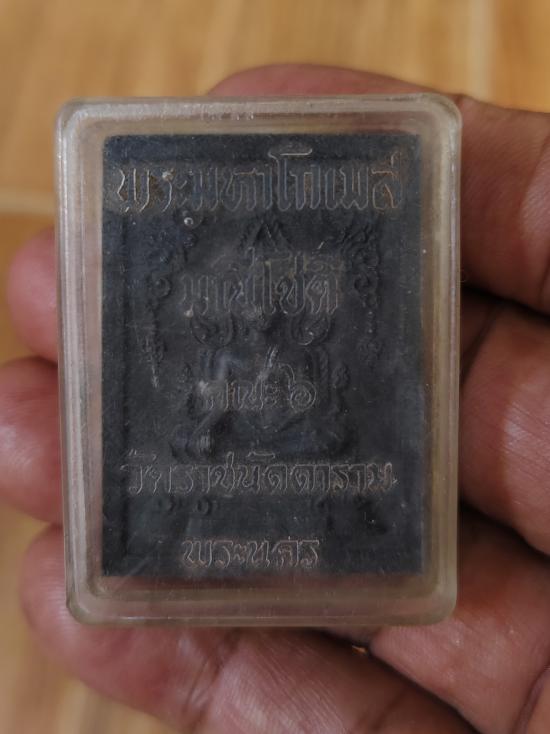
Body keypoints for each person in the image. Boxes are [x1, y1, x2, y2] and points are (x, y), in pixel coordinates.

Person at [2, 64, 550, 733]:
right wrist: (209, 431)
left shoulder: (305, 349)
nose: (262, 311)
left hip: (316, 469)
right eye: (249, 296)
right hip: (222, 484)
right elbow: (204, 420)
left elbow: (325, 419)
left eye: (276, 295)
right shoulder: (222, 354)